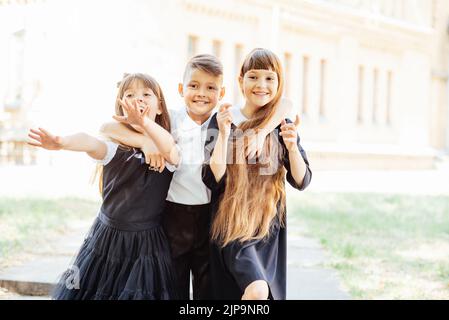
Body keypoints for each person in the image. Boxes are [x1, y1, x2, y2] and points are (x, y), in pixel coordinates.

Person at [100, 54, 291, 299]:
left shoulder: (224, 119)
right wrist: (145, 140)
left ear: (221, 94)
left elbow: (286, 104)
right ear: (181, 89)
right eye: (193, 86)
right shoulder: (169, 119)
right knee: (172, 284)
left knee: (206, 287)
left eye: (211, 88)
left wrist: (263, 132)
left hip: (209, 216)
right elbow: (107, 128)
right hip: (171, 215)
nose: (201, 93)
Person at [27, 73, 180, 300]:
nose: (138, 100)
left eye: (146, 94)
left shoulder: (169, 147)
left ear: (159, 107)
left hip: (145, 245)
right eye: (130, 95)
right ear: (121, 109)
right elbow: (89, 141)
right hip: (106, 239)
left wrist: (145, 129)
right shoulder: (114, 148)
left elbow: (171, 152)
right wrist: (62, 142)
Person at [202, 48, 312, 300]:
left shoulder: (281, 123)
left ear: (279, 83)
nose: (261, 85)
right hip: (233, 224)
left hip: (268, 227)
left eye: (269, 78)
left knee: (261, 296)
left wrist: (292, 148)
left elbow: (301, 179)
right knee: (257, 291)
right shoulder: (224, 120)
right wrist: (222, 135)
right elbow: (212, 177)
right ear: (240, 81)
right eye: (253, 77)